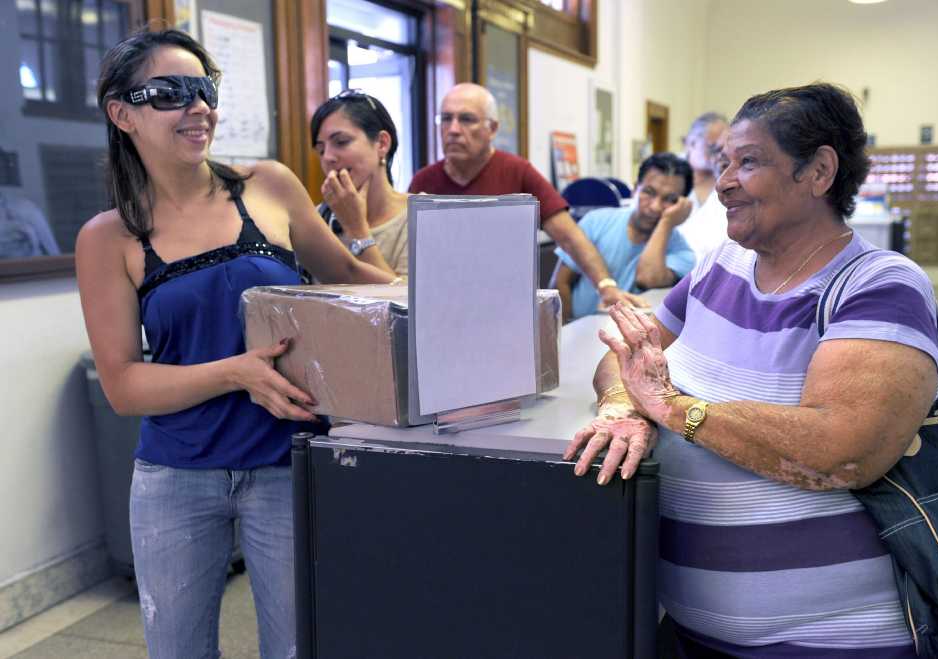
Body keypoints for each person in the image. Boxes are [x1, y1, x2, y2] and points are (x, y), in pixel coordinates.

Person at [565, 83, 938, 657]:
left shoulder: (880, 286)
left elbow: (844, 450)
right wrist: (623, 408)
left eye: (749, 162)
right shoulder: (722, 266)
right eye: (722, 163)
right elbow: (624, 361)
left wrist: (671, 408)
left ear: (818, 172)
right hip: (691, 630)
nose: (722, 183)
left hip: (830, 641)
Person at [76, 29, 392, 659]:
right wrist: (237, 373)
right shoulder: (108, 237)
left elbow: (361, 285)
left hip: (283, 464)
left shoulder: (268, 186)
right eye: (171, 93)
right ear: (122, 114)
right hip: (176, 476)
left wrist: (366, 237)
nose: (198, 108)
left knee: (298, 645)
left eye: (205, 90)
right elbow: (123, 385)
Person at [409, 82, 646, 309]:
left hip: (504, 306)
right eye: (446, 118)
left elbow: (570, 237)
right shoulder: (423, 182)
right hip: (442, 305)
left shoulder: (518, 172)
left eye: (467, 119)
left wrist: (606, 286)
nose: (453, 130)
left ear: (492, 128)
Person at [553, 152, 696, 319]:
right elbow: (560, 283)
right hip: (578, 331)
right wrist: (563, 332)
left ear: (682, 205)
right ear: (635, 189)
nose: (655, 207)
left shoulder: (682, 252)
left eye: (670, 199)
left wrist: (666, 223)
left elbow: (647, 278)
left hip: (632, 340)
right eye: (649, 192)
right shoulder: (596, 221)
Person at [311, 90, 407, 278]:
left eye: (341, 142)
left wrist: (357, 230)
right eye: (321, 150)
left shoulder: (421, 217)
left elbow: (407, 304)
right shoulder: (318, 219)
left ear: (382, 144)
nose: (328, 157)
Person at [678, 112, 730, 259]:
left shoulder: (730, 180)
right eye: (713, 147)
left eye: (724, 147)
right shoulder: (667, 174)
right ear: (691, 143)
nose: (720, 154)